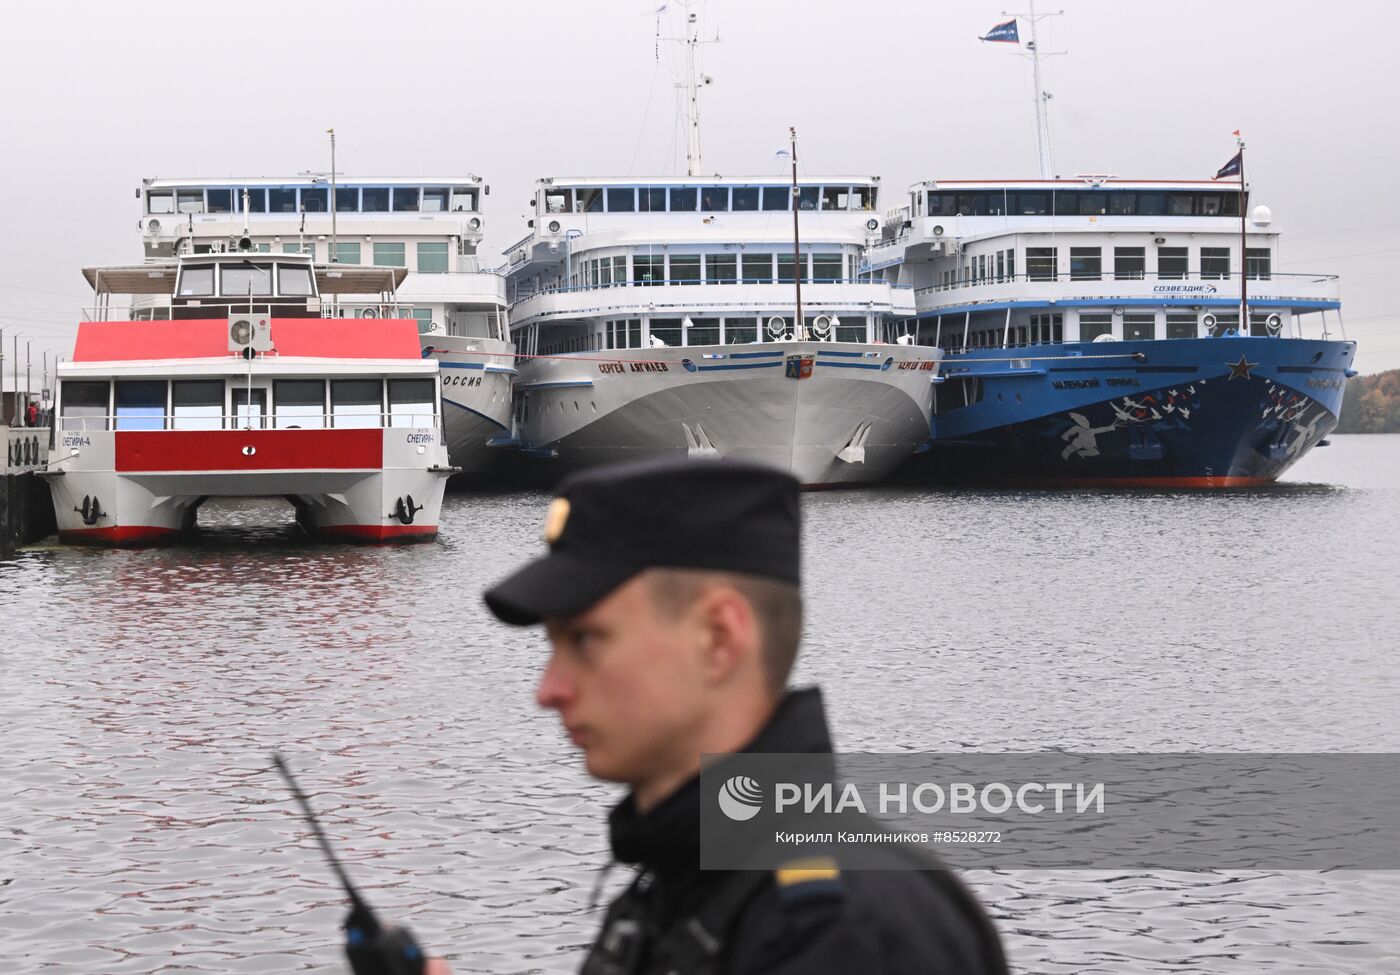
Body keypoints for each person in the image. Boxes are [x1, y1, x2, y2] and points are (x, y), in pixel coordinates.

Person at [428, 457, 1006, 975]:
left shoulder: (846, 932)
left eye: (585, 640)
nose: (548, 690)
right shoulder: (696, 882)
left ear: (719, 639)